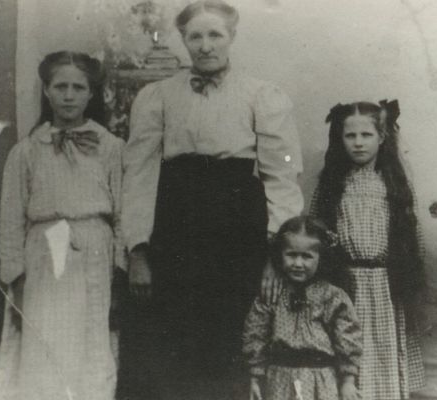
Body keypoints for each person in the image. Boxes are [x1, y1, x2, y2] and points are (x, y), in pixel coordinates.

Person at [118, 1, 304, 399]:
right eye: (195, 36)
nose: (205, 45)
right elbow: (139, 174)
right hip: (175, 226)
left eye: (215, 34)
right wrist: (138, 250)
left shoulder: (262, 95)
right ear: (183, 40)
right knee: (172, 343)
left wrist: (276, 253)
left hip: (236, 226)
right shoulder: (157, 96)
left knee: (231, 337)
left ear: (232, 37)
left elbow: (282, 178)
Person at [0, 51, 124, 400]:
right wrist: (16, 280)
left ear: (91, 94)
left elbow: (124, 214)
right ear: (46, 91)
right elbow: (11, 219)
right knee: (44, 341)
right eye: (60, 86)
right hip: (44, 254)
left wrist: (120, 272)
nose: (69, 95)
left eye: (78, 88)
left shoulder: (111, 148)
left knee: (89, 342)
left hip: (94, 251)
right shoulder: (26, 152)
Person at [310, 100, 426, 400]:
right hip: (345, 285)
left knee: (383, 354)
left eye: (366, 135)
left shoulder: (394, 184)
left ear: (382, 137)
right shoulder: (331, 185)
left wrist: (410, 283)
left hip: (386, 286)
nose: (358, 143)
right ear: (340, 139)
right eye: (351, 136)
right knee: (348, 352)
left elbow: (414, 238)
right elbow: (315, 234)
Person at [242, 216, 362, 400]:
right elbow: (255, 334)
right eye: (291, 255)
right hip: (279, 380)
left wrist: (348, 381)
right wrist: (255, 378)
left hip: (320, 380)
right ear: (280, 254)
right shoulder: (273, 293)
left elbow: (347, 338)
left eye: (307, 256)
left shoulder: (333, 296)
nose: (298, 264)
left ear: (321, 258)